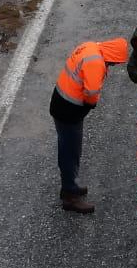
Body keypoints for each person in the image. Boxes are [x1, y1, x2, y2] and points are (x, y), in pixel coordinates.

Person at [48, 36, 131, 213]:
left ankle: (70, 186)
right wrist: (92, 103)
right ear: (112, 57)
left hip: (60, 102)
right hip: (68, 111)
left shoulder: (90, 47)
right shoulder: (97, 62)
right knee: (70, 152)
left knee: (69, 148)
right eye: (114, 63)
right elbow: (92, 94)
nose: (113, 66)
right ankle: (70, 196)